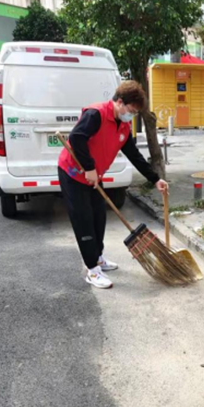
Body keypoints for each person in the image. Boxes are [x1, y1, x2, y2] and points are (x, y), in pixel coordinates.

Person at [58, 81, 168, 289]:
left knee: (99, 217)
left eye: (135, 113)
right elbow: (77, 137)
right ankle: (92, 270)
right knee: (84, 221)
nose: (131, 116)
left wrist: (155, 179)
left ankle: (98, 257)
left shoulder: (123, 126)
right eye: (131, 111)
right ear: (119, 102)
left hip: (94, 176)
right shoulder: (96, 114)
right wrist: (89, 168)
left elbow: (134, 155)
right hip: (73, 174)